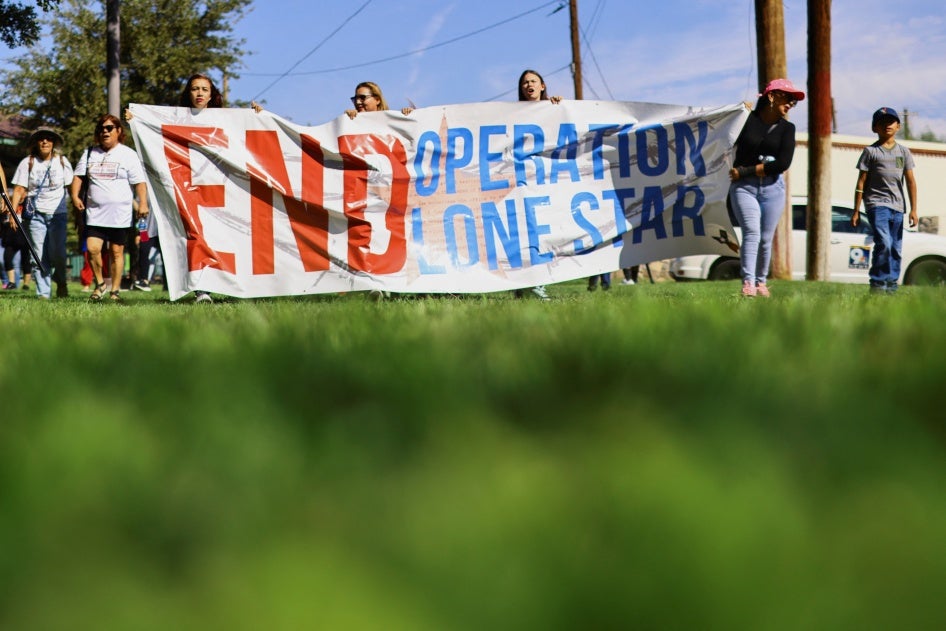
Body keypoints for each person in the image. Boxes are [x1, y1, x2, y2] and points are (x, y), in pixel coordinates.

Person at [728, 78, 804, 298]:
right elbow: (723, 134)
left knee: (765, 238)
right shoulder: (745, 120)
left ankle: (761, 283)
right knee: (752, 232)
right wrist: (737, 111)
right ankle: (748, 284)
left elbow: (782, 164)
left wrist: (745, 171)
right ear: (771, 96)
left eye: (794, 101)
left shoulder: (788, 129)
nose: (790, 103)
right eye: (787, 97)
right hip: (744, 189)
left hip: (773, 190)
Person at [70, 114, 149, 301]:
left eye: (109, 128)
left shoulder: (128, 155)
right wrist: (74, 196)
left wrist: (143, 203)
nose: (105, 132)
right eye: (101, 129)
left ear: (119, 131)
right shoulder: (89, 153)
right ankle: (100, 284)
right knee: (93, 248)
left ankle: (115, 290)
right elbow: (78, 177)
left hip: (119, 215)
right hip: (94, 213)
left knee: (116, 252)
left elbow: (139, 183)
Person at [852, 107, 918, 294]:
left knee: (895, 248)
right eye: (882, 122)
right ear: (875, 128)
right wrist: (856, 210)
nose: (887, 125)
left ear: (898, 126)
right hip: (876, 204)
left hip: (898, 207)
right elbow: (861, 182)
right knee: (884, 243)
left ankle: (891, 285)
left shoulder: (904, 152)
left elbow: (911, 182)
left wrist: (913, 209)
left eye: (891, 121)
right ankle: (878, 283)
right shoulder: (870, 152)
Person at [10, 126, 74, 299]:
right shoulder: (28, 162)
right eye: (41, 138)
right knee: (38, 255)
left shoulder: (62, 161)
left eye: (49, 138)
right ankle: (43, 294)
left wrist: (77, 209)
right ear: (36, 142)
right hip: (35, 214)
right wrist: (13, 213)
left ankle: (61, 282)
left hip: (58, 214)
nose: (45, 141)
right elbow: (18, 189)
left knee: (58, 253)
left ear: (54, 143)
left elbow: (71, 187)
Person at [514, 69, 561, 301]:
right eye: (524, 83)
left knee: (542, 236)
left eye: (533, 81)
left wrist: (559, 107)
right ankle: (524, 285)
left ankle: (536, 284)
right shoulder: (511, 114)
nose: (528, 85)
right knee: (526, 235)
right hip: (521, 183)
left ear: (542, 86)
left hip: (546, 183)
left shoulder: (553, 108)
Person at [1, 165, 33, 291]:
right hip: (11, 234)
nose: (22, 195)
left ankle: (26, 284)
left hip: (24, 232)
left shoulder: (29, 203)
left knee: (26, 259)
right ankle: (12, 282)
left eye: (24, 192)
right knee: (7, 258)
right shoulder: (9, 202)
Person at [344, 81, 413, 120]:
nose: (357, 102)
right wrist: (346, 120)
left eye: (362, 97)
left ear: (377, 100)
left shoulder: (392, 121)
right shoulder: (352, 122)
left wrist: (410, 115)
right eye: (355, 99)